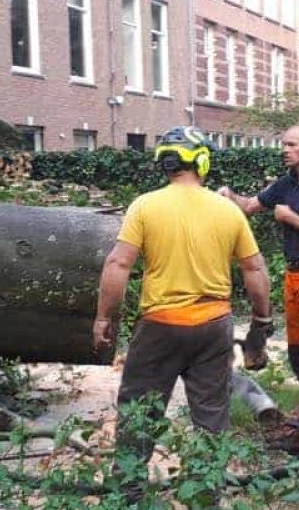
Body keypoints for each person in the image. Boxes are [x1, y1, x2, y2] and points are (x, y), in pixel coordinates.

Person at [93, 126, 273, 476]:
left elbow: (118, 263)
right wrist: (261, 320)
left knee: (140, 411)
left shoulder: (145, 206)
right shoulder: (228, 211)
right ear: (202, 161)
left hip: (160, 327)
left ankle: (128, 492)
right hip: (213, 327)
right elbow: (254, 269)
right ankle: (207, 491)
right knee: (210, 417)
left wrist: (104, 318)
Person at [218, 125, 299, 462]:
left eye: (291, 145)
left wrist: (290, 216)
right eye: (283, 144)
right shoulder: (287, 182)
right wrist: (227, 195)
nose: (284, 150)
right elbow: (249, 206)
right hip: (294, 278)